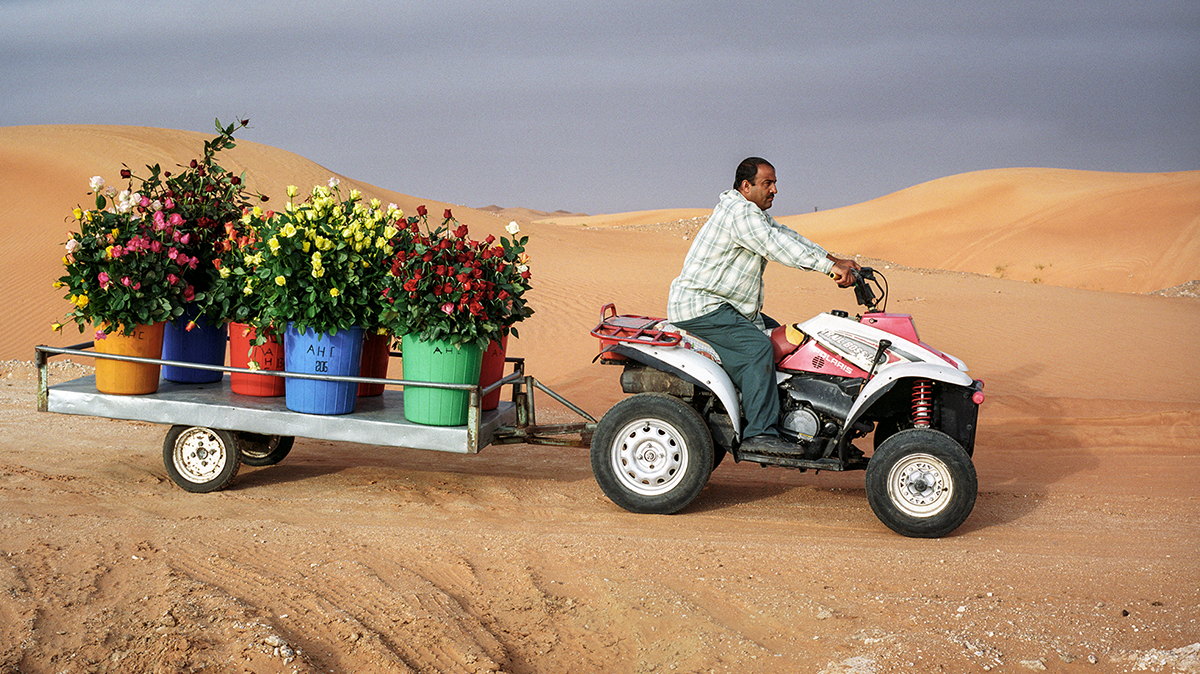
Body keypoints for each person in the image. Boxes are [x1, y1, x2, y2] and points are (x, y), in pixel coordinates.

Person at [667, 157, 859, 456]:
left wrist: (834, 259)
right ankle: (760, 433)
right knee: (758, 349)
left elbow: (787, 236)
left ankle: (793, 420)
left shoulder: (751, 213)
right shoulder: (740, 215)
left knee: (790, 341)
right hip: (703, 306)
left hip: (731, 308)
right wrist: (828, 269)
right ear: (746, 186)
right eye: (767, 183)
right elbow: (776, 246)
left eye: (775, 183)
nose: (774, 190)